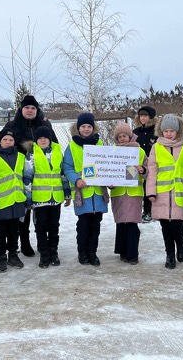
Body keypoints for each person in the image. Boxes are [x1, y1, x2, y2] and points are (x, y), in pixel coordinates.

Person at [4, 95, 58, 257]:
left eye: (33, 108)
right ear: (21, 109)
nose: (30, 110)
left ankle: (45, 244)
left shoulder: (44, 124)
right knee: (25, 210)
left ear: (37, 110)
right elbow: (6, 145)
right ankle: (25, 241)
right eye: (27, 107)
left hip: (43, 176)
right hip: (21, 173)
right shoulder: (12, 125)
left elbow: (54, 145)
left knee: (43, 213)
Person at [146, 114, 183, 270]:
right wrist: (151, 192)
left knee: (177, 226)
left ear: (178, 131)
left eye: (172, 131)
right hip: (161, 194)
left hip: (179, 194)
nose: (169, 133)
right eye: (166, 130)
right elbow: (152, 171)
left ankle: (180, 246)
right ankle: (169, 254)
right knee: (165, 228)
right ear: (161, 131)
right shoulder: (156, 147)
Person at [62, 112, 108, 266]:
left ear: (93, 127)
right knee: (83, 225)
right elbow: (67, 167)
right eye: (83, 126)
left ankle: (92, 252)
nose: (86, 129)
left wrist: (111, 179)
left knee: (96, 226)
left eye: (89, 126)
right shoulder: (72, 146)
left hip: (98, 193)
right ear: (78, 128)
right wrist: (76, 179)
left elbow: (108, 165)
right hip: (82, 193)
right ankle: (82, 253)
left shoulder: (100, 144)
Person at [23, 125, 71, 268]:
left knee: (54, 226)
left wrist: (67, 192)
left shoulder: (57, 151)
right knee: (41, 227)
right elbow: (27, 177)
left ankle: (53, 252)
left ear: (50, 139)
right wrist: (28, 197)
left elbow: (62, 174)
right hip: (39, 198)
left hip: (55, 197)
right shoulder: (31, 154)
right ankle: (44, 254)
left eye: (45, 138)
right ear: (36, 140)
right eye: (40, 138)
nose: (43, 140)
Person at [0, 127, 27, 272]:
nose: (8, 142)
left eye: (11, 140)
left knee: (15, 231)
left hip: (17, 201)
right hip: (0, 203)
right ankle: (1, 256)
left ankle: (13, 254)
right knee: (0, 232)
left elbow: (25, 178)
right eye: (5, 139)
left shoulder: (21, 156)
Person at [109, 122, 146, 265]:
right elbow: (107, 171)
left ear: (130, 136)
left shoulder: (139, 151)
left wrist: (142, 170)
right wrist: (109, 183)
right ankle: (122, 252)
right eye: (119, 136)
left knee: (131, 223)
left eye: (125, 135)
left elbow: (147, 169)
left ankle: (133, 254)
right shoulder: (111, 151)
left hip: (133, 192)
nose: (122, 138)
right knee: (121, 223)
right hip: (118, 192)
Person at [133, 106, 158, 223]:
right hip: (140, 165)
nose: (143, 118)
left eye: (145, 116)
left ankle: (153, 210)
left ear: (151, 117)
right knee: (142, 188)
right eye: (141, 116)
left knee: (152, 187)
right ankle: (145, 210)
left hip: (154, 163)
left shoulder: (156, 131)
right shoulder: (135, 132)